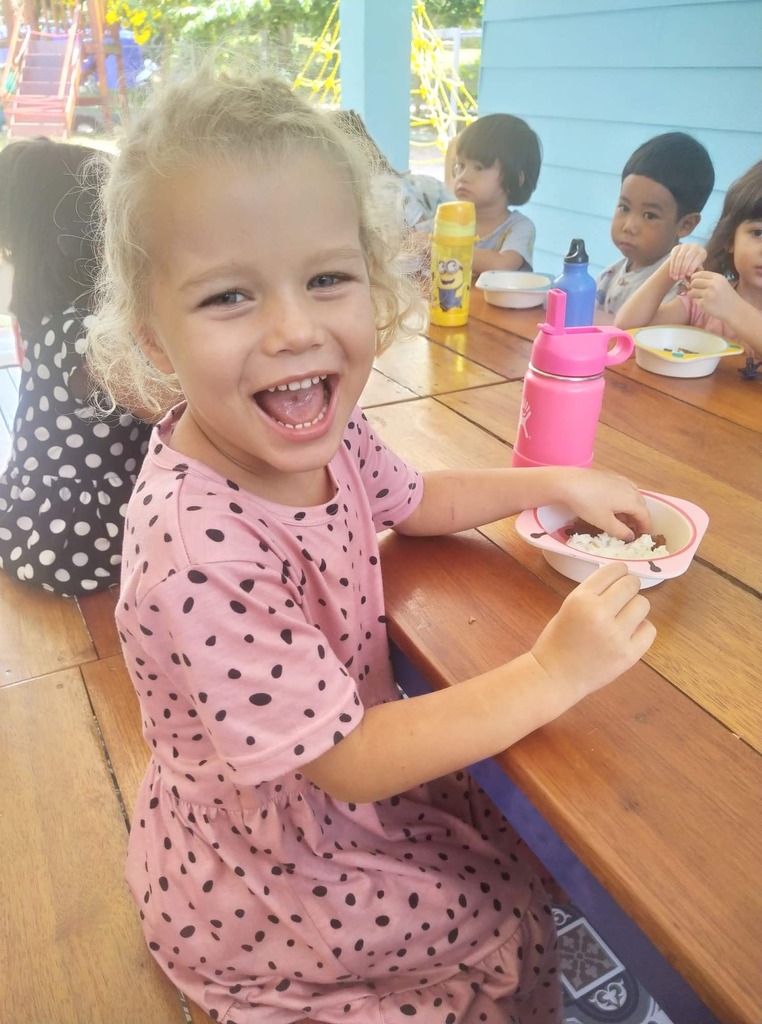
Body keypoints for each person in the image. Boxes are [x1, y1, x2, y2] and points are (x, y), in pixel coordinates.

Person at [86, 57, 656, 1024]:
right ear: (152, 337)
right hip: (268, 860)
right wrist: (551, 672)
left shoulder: (322, 424)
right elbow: (347, 760)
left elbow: (418, 495)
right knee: (477, 914)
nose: (294, 329)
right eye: (230, 296)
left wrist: (555, 478)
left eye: (326, 278)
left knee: (513, 838)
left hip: (334, 764)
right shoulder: (196, 553)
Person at [0, 137, 152, 596]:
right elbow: (166, 404)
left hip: (34, 518)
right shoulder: (90, 334)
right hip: (84, 538)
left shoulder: (53, 321)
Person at [614, 160, 762, 359]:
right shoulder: (708, 299)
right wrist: (672, 266)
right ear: (730, 239)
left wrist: (734, 309)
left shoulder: (723, 301)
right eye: (758, 233)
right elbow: (627, 329)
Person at [596, 132, 715, 317]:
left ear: (686, 224)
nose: (629, 226)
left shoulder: (680, 286)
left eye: (649, 215)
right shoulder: (611, 274)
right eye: (624, 207)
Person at [451, 113, 542, 275]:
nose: (463, 176)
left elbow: (504, 265)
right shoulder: (450, 219)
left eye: (478, 167)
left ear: (515, 179)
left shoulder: (519, 227)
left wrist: (444, 249)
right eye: (461, 165)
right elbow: (413, 245)